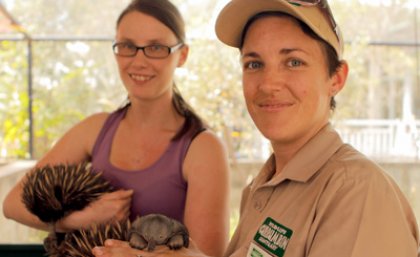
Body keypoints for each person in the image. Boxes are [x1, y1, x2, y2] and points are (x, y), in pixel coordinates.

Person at [90, 0, 420, 256]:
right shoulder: (262, 188)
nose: (268, 83)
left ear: (336, 78)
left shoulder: (356, 191)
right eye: (254, 64)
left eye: (293, 62)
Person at [2, 0, 230, 256]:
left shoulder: (203, 149)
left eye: (156, 47)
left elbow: (207, 256)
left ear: (182, 55)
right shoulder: (95, 130)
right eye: (127, 46)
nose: (138, 61)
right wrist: (79, 220)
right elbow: (12, 204)